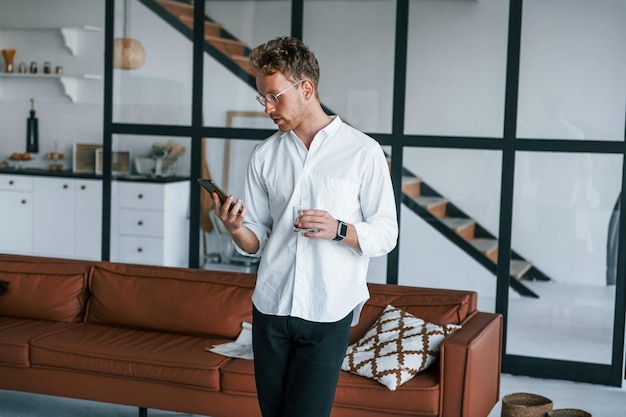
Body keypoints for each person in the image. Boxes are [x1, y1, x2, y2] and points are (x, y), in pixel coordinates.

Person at [211, 36, 398, 417]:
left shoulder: (363, 152)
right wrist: (235, 229)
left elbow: (386, 233)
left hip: (328, 311)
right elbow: (257, 238)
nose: (267, 107)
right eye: (261, 98)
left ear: (306, 88)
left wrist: (340, 229)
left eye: (274, 96)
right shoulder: (264, 155)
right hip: (271, 307)